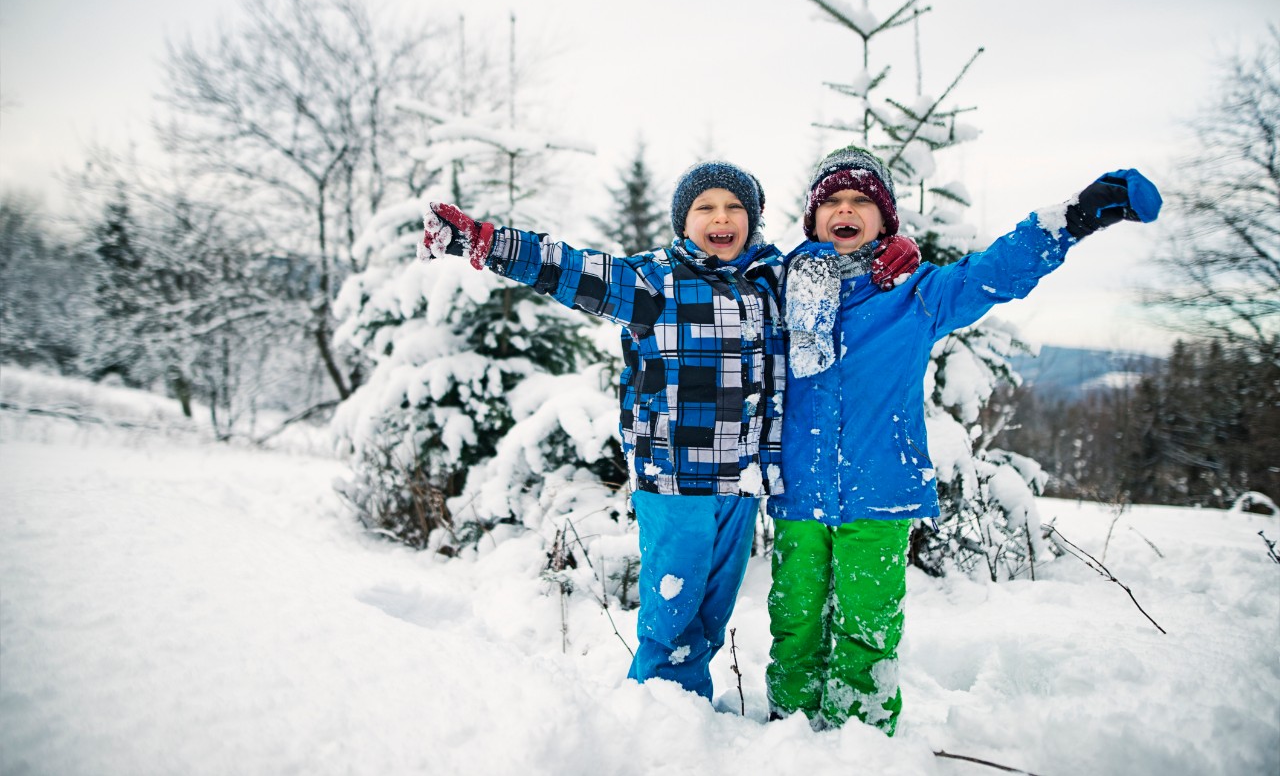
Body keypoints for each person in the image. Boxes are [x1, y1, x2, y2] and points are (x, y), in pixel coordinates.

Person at [416, 161, 919, 701]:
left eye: (734, 208)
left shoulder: (776, 278)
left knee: (713, 611)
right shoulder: (653, 281)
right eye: (705, 208)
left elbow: (837, 266)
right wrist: (486, 241)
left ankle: (691, 722)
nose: (720, 218)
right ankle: (659, 716)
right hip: (675, 478)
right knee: (673, 616)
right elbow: (570, 269)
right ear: (684, 222)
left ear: (753, 220)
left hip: (742, 483)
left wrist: (892, 250)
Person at [766, 145, 1161, 733]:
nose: (845, 210)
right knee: (794, 619)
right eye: (833, 201)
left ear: (884, 218)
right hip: (800, 492)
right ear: (814, 218)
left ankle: (859, 739)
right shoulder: (781, 288)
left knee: (866, 624)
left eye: (860, 201)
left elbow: (993, 273)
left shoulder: (915, 293)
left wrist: (1077, 216)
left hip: (879, 492)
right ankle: (787, 727)